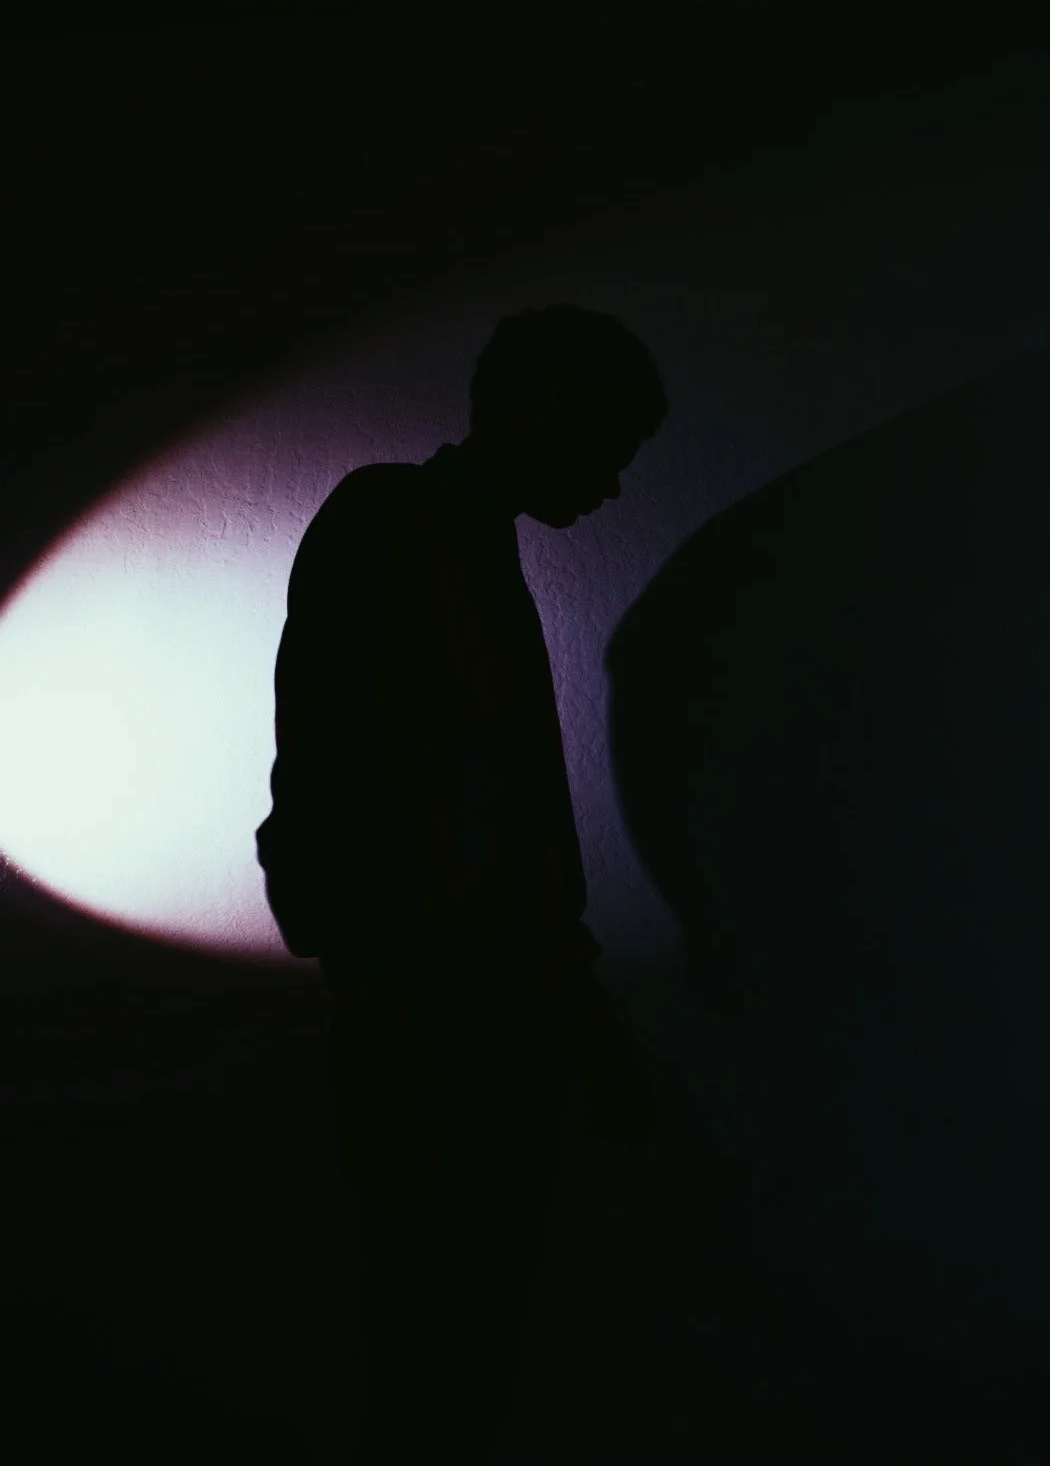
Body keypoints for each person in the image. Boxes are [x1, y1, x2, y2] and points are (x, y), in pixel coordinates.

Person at [256, 303, 668, 1462]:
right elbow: (361, 771)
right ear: (547, 418)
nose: (616, 485)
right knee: (446, 1326)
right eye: (609, 448)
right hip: (437, 995)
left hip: (454, 989)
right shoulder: (404, 526)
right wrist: (402, 977)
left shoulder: (443, 534)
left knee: (456, 1326)